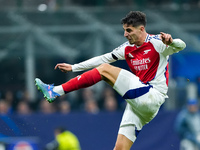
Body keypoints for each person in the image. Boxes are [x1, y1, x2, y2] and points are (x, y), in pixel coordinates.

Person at [35, 11, 186, 150]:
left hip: (152, 96)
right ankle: (54, 91)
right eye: (124, 30)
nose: (125, 34)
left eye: (129, 30)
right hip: (140, 106)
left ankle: (55, 91)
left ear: (141, 29)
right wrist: (74, 67)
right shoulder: (127, 48)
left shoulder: (158, 43)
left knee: (105, 69)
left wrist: (171, 41)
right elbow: (102, 58)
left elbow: (181, 45)